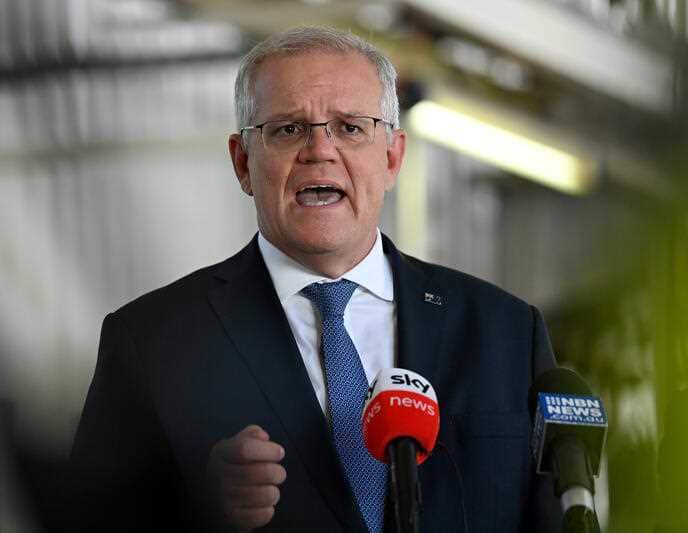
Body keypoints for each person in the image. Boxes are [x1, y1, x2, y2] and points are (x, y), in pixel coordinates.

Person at [71, 26, 559, 533]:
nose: (320, 150)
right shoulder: (152, 342)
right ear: (243, 163)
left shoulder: (506, 332)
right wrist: (195, 505)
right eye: (287, 129)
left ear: (392, 156)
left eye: (350, 127)